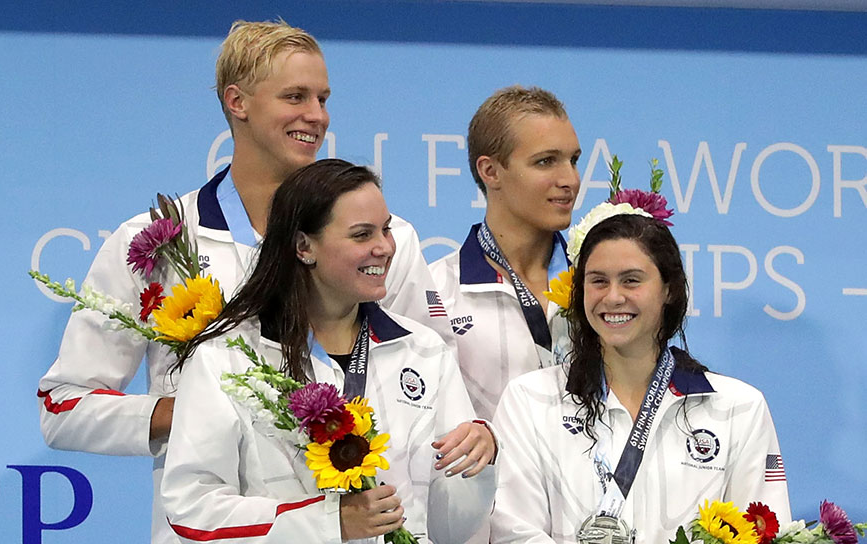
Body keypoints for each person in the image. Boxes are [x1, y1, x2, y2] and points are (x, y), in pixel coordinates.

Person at [37, 20, 449, 544]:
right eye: (295, 96)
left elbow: (421, 383)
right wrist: (193, 410)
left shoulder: (390, 244)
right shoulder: (156, 243)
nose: (316, 116)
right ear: (238, 101)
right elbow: (62, 407)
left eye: (322, 98)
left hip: (367, 526)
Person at [161, 159, 496, 543]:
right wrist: (326, 523)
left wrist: (481, 462)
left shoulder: (423, 352)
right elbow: (192, 510)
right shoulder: (227, 358)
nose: (385, 248)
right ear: (304, 246)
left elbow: (452, 528)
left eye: (386, 230)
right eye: (361, 235)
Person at [489, 206, 792, 543]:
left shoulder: (739, 408)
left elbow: (763, 532)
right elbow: (512, 530)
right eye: (598, 281)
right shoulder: (529, 400)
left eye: (631, 280)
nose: (613, 297)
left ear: (669, 289)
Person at [429, 85, 581, 420]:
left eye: (573, 160)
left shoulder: (598, 287)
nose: (569, 178)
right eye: (546, 162)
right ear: (491, 171)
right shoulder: (436, 292)